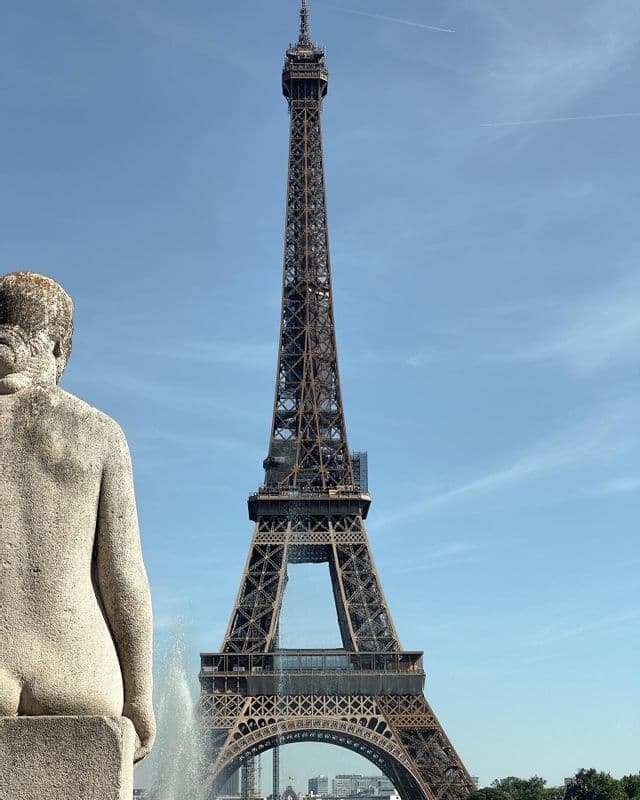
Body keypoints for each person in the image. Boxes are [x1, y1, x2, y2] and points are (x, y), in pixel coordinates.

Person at [0, 271, 155, 761]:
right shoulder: (99, 432)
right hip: (77, 666)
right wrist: (140, 697)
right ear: (57, 347)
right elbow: (123, 578)